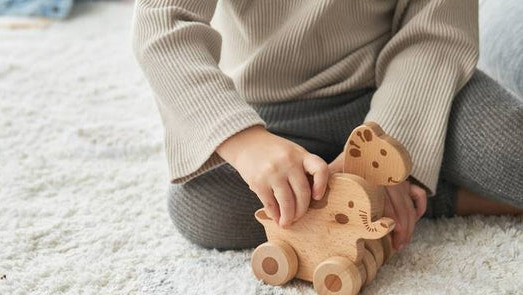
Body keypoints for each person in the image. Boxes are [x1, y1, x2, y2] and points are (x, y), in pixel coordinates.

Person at [132, 0, 523, 251]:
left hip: (406, 84)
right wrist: (245, 141)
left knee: (512, 151)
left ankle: (392, 188)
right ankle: (416, 196)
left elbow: (435, 33)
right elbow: (163, 21)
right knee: (204, 208)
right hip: (277, 110)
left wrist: (386, 151)